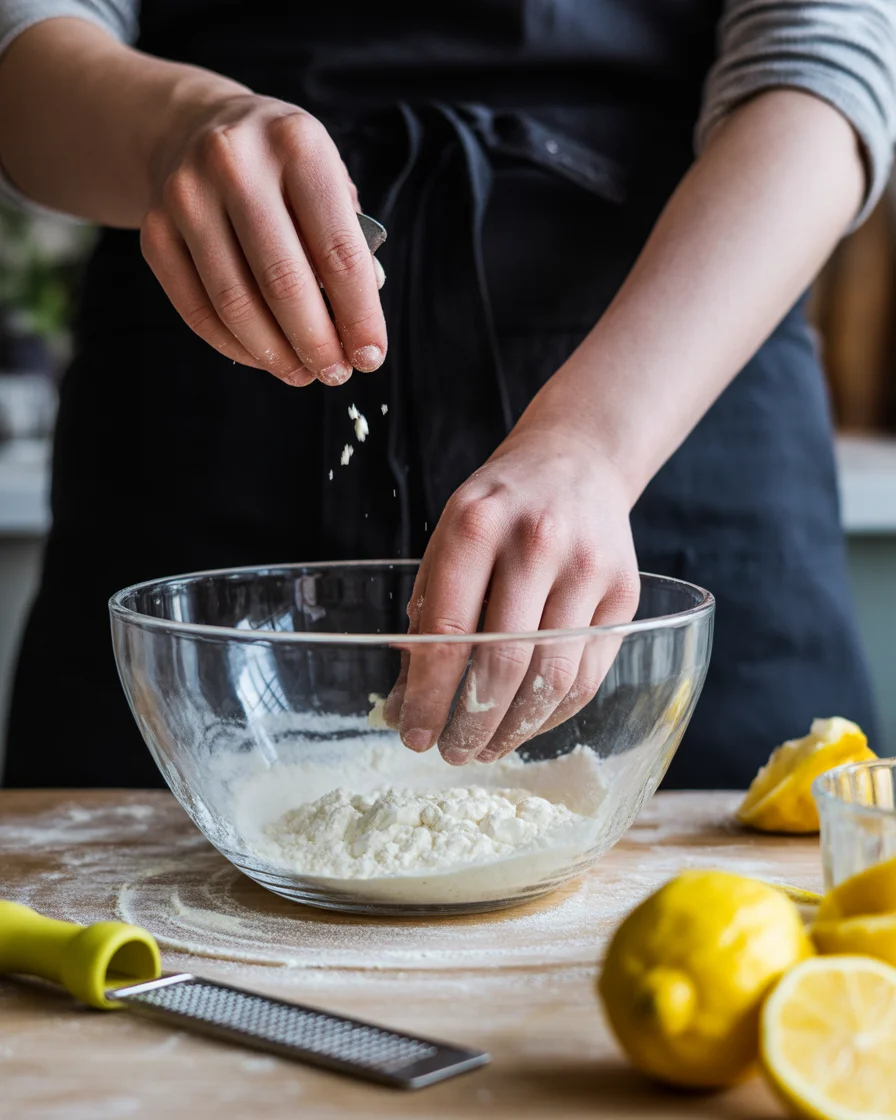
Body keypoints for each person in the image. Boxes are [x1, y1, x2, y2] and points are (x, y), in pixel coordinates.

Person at [0, 2, 893, 789]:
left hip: (680, 368)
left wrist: (591, 444)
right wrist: (173, 129)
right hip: (202, 415)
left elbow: (823, 65)